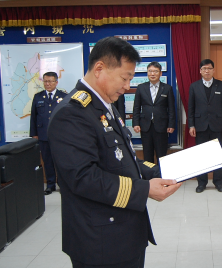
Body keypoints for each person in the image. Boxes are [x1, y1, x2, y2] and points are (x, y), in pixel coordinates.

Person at [48, 36, 181, 268]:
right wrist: (144, 189)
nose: (127, 85)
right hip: (99, 241)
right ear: (99, 68)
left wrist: (162, 170)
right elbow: (83, 178)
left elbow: (122, 158)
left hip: (124, 232)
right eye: (125, 77)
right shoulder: (72, 113)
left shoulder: (104, 106)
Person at [188, 58, 222, 193]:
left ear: (213, 70)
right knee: (201, 155)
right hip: (200, 126)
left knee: (218, 154)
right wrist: (191, 125)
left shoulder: (221, 85)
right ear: (200, 71)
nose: (207, 71)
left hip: (217, 125)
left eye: (209, 68)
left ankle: (218, 182)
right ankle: (202, 182)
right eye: (204, 68)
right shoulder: (194, 86)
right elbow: (191, 108)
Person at [30, 71, 67, 195]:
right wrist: (34, 134)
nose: (48, 83)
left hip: (60, 136)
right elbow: (34, 118)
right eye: (45, 81)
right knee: (47, 161)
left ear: (56, 82)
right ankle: (50, 185)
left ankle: (62, 184)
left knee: (61, 161)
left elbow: (67, 117)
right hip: (43, 135)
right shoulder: (38, 97)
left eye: (50, 81)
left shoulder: (64, 96)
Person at [133, 62, 175, 164]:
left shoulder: (167, 88)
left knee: (162, 155)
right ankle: (150, 178)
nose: (152, 74)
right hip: (145, 126)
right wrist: (136, 123)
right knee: (147, 154)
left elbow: (171, 108)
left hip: (162, 126)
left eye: (155, 71)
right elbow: (136, 107)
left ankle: (162, 177)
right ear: (147, 73)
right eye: (150, 71)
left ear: (160, 73)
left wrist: (171, 124)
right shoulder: (141, 88)